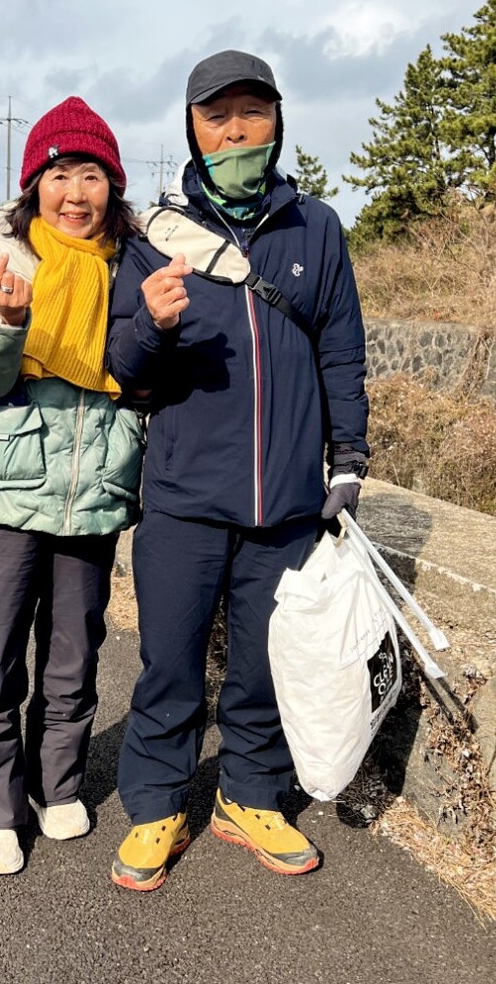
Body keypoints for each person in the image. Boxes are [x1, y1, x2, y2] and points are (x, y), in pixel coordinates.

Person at [106, 50, 369, 892]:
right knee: (170, 662)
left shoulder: (316, 227)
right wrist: (150, 325)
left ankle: (249, 796)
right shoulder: (155, 234)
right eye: (217, 116)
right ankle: (155, 805)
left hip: (288, 498)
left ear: (277, 122)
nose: (235, 129)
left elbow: (341, 348)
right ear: (191, 127)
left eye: (252, 113)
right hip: (184, 496)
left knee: (261, 667)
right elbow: (124, 368)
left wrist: (350, 460)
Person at [0, 96, 144, 877]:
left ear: (111, 188)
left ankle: (57, 786)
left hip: (92, 495)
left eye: (92, 175)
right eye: (61, 174)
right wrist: (4, 322)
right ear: (34, 185)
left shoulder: (131, 265)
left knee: (73, 657)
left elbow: (144, 370)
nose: (76, 194)